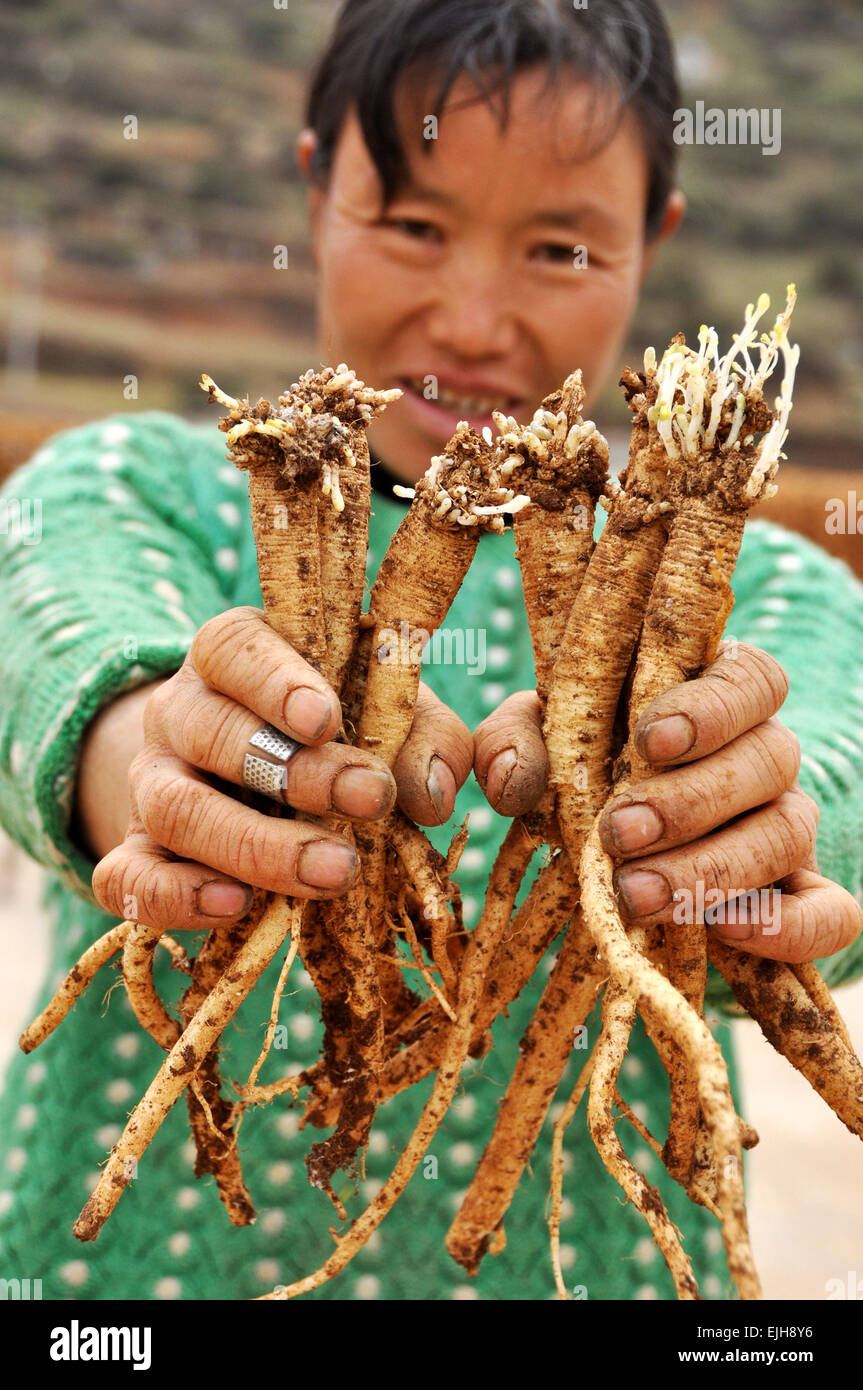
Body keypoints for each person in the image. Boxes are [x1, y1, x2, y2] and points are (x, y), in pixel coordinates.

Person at [0, 0, 861, 1302]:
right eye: (414, 225)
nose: (471, 319)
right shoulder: (143, 485)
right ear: (315, 184)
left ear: (654, 245)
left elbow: (833, 764)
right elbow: (56, 637)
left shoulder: (769, 591)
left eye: (560, 246)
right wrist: (152, 755)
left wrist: (764, 835)